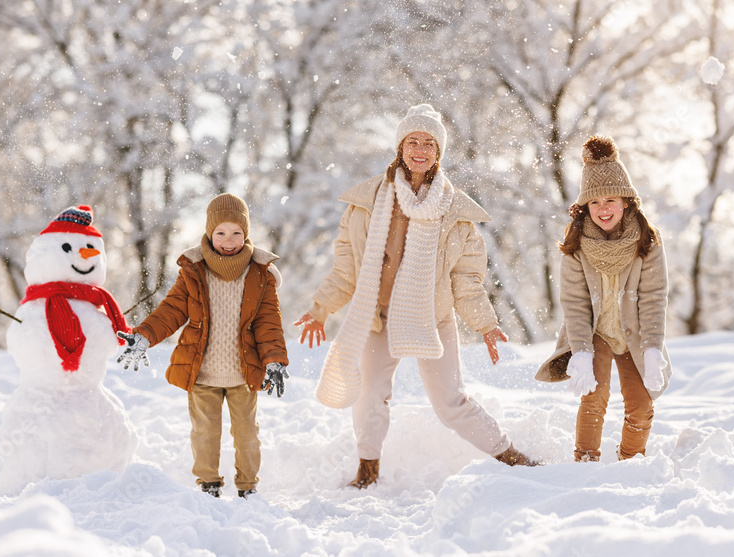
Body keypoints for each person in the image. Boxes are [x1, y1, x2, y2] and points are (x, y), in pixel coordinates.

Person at [296, 103, 536, 488]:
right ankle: (367, 472)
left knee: (450, 404)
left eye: (429, 143)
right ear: (400, 147)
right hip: (379, 317)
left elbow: (467, 281)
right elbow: (347, 270)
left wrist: (486, 325)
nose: (420, 149)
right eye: (413, 141)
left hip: (432, 317)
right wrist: (320, 309)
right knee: (370, 395)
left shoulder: (454, 212)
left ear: (438, 152)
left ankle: (511, 455)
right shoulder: (367, 204)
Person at [114, 193, 289, 498]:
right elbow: (170, 311)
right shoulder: (194, 271)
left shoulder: (260, 275)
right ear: (210, 232)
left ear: (245, 233)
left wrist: (274, 360)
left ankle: (248, 487)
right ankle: (209, 485)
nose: (228, 239)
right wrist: (144, 336)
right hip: (202, 372)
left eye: (236, 232)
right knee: (205, 433)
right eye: (220, 232)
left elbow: (268, 323)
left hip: (244, 373)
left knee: (247, 435)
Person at [536, 135, 671, 462]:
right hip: (594, 333)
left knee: (640, 405)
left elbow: (654, 297)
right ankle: (585, 461)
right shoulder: (576, 245)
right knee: (594, 397)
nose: (603, 209)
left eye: (611, 200)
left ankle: (630, 463)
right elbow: (575, 304)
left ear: (626, 201)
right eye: (595, 202)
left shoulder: (647, 243)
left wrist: (652, 346)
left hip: (634, 334)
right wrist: (580, 351)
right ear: (585, 207)